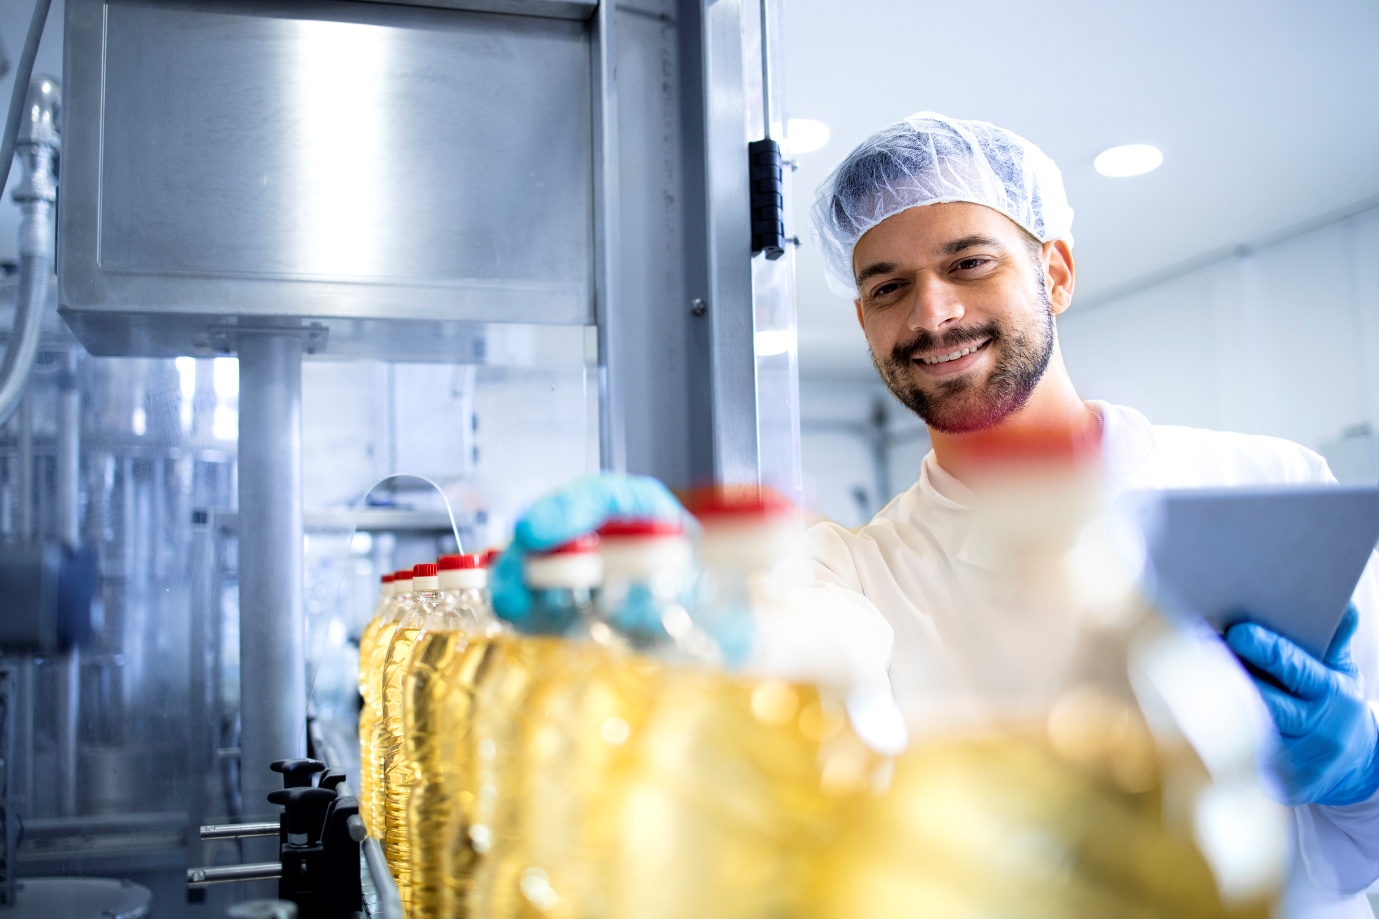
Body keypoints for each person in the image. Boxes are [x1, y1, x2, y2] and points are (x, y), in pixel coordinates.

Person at [491, 113, 1379, 917]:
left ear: (1055, 271)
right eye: (887, 287)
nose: (932, 313)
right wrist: (682, 605)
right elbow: (794, 634)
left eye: (968, 262)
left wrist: (1357, 773)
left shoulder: (1266, 481)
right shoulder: (853, 568)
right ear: (864, 319)